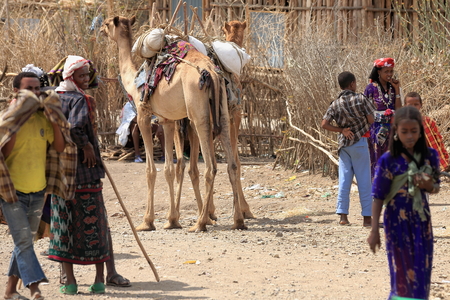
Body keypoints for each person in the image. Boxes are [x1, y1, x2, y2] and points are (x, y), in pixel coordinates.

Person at [47, 57, 132, 289]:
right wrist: (86, 145)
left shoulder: (53, 98)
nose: (86, 80)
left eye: (87, 75)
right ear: (70, 76)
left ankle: (69, 281)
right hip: (85, 171)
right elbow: (74, 127)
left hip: (59, 173)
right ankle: (101, 278)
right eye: (81, 76)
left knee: (63, 224)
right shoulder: (82, 100)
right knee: (96, 224)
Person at [0, 72, 70, 300]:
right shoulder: (6, 119)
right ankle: (34, 287)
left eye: (37, 89)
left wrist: (54, 119)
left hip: (38, 191)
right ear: (16, 93)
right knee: (23, 240)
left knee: (25, 242)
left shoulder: (43, 120)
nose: (35, 93)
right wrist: (16, 122)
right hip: (12, 193)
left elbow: (59, 148)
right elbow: (5, 153)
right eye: (29, 89)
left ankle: (10, 291)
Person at [367, 106, 440, 299]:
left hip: (421, 220)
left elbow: (435, 187)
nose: (409, 136)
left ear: (420, 131)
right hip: (396, 222)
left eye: (414, 131)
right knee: (400, 269)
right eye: (404, 131)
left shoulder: (430, 156)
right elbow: (378, 196)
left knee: (422, 268)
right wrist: (374, 230)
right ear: (396, 132)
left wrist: (427, 183)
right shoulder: (388, 160)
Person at [321, 71, 375, 226]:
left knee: (344, 181)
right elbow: (371, 119)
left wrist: (342, 130)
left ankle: (343, 217)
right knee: (364, 181)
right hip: (360, 143)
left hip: (344, 145)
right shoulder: (360, 99)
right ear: (352, 84)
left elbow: (324, 124)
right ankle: (367, 218)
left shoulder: (335, 104)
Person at [364, 57, 402, 178]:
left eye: (391, 71)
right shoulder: (370, 88)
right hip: (376, 131)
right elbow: (365, 111)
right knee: (377, 160)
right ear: (379, 72)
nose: (389, 74)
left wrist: (397, 90)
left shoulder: (393, 87)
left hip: (392, 130)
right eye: (386, 71)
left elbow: (399, 109)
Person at [405, 91, 450, 171]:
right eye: (410, 105)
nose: (413, 107)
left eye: (416, 104)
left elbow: (439, 141)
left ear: (421, 105)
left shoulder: (428, 121)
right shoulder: (403, 124)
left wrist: (445, 160)